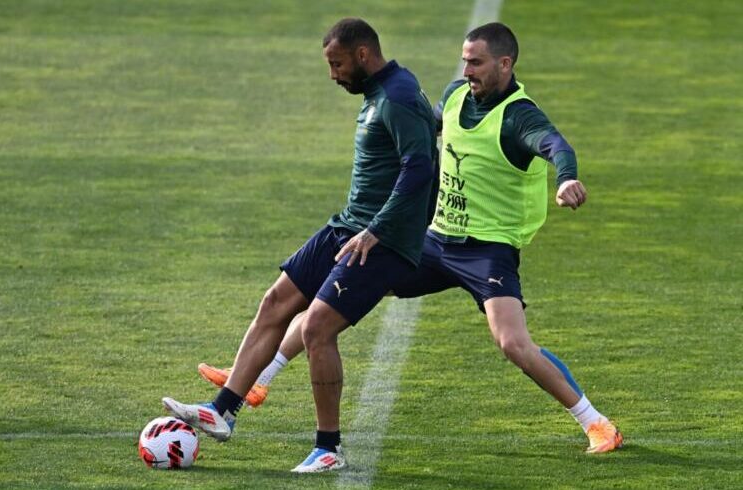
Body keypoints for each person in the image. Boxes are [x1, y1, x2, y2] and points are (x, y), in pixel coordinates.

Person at [198, 21, 623, 462]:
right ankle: (258, 378)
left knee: (512, 343)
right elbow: (430, 127)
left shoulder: (519, 115)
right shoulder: (457, 94)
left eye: (475, 62)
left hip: (487, 250)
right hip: (434, 238)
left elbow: (556, 144)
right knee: (338, 292)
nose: (467, 68)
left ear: (505, 63)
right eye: (464, 59)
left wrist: (567, 178)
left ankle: (595, 422)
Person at [162, 17, 438, 473]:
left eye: (337, 64)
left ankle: (328, 447)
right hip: (348, 226)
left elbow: (419, 169)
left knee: (316, 330)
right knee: (276, 302)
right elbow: (425, 135)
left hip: (377, 242)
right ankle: (223, 409)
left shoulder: (398, 96)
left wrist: (379, 230)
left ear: (363, 55)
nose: (333, 75)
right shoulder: (385, 92)